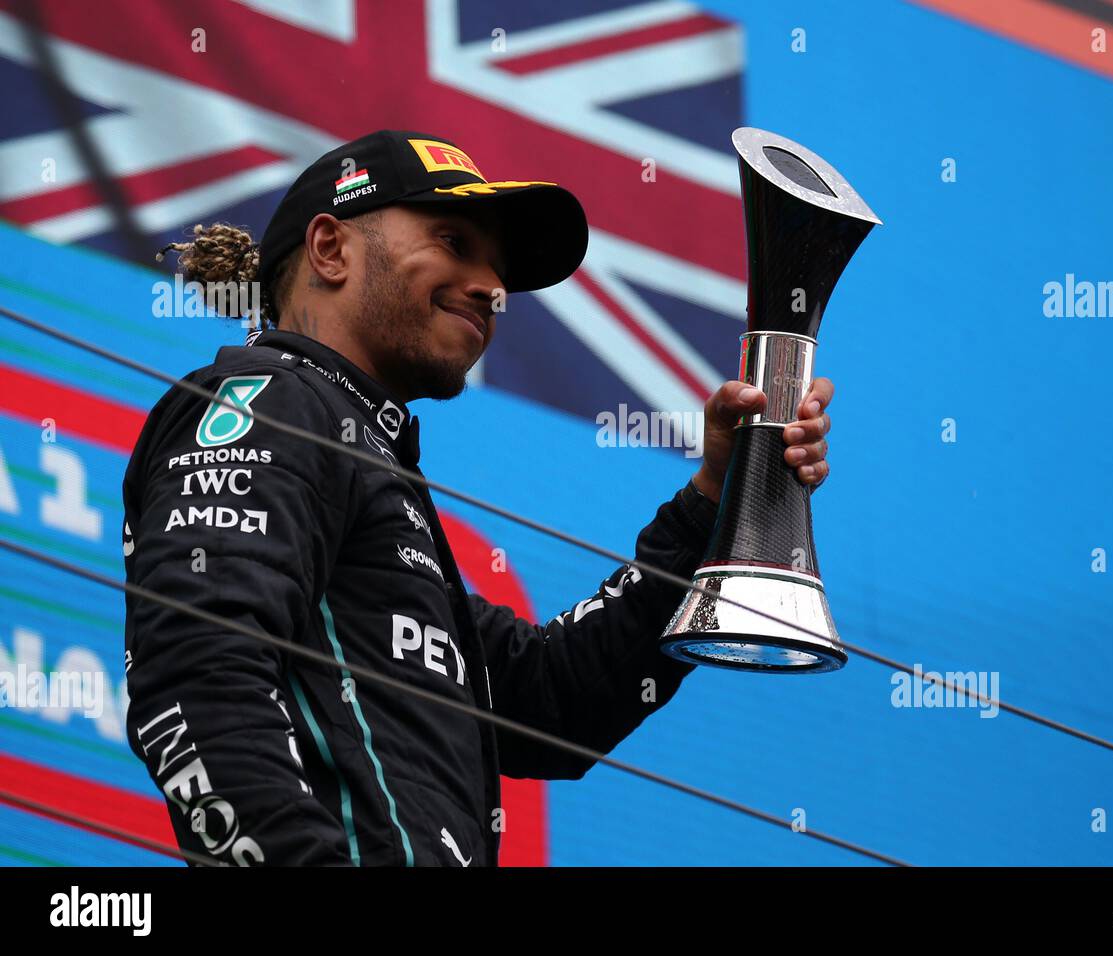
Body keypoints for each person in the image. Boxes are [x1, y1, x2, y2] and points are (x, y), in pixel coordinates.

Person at [124, 130, 834, 866]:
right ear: (331, 250)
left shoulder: (365, 457)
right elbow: (197, 670)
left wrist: (714, 501)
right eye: (453, 240)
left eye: (497, 270)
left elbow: (555, 703)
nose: (492, 287)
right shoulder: (274, 400)